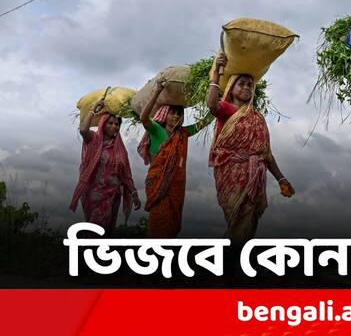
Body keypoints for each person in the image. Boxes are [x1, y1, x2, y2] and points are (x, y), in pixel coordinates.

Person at [207, 53, 294, 252]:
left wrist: (281, 179)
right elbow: (212, 104)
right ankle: (231, 267)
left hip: (255, 176)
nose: (246, 87)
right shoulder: (226, 109)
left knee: (248, 221)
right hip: (231, 173)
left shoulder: (258, 118)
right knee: (238, 219)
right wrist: (216, 74)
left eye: (249, 84)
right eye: (241, 84)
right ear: (231, 88)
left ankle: (230, 265)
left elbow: (266, 154)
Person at [138, 79, 206, 238]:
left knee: (170, 224)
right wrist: (156, 91)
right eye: (172, 113)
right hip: (157, 184)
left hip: (176, 187)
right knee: (158, 222)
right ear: (165, 115)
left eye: (179, 114)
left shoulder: (184, 133)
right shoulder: (156, 129)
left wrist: (215, 97)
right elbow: (143, 117)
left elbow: (204, 122)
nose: (175, 116)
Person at [70, 99, 141, 234]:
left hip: (113, 196)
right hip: (94, 194)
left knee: (107, 232)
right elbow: (84, 129)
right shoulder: (95, 140)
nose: (114, 126)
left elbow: (125, 174)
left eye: (116, 124)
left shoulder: (120, 149)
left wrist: (134, 193)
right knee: (95, 229)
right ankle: (88, 253)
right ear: (103, 124)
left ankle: (98, 254)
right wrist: (94, 110)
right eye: (110, 123)